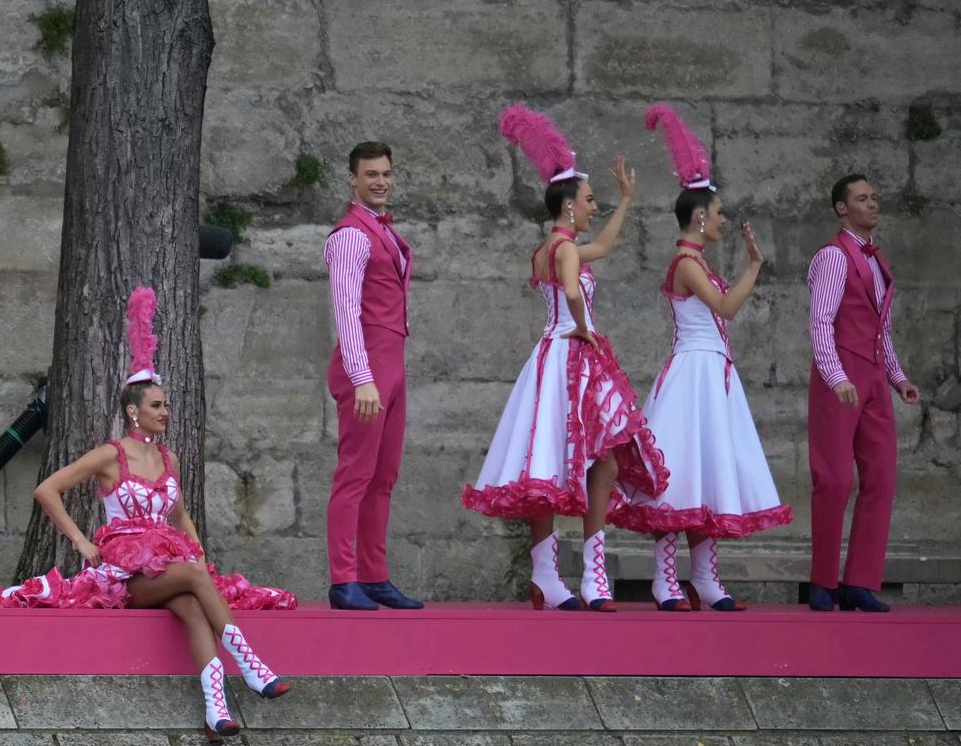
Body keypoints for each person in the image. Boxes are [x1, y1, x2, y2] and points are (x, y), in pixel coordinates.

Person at [0, 288, 293, 740]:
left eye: (166, 405)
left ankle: (216, 710)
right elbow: (47, 490)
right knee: (191, 579)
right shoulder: (110, 455)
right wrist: (81, 541)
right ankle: (251, 665)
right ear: (133, 412)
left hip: (169, 565)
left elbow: (180, 513)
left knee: (190, 604)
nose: (165, 412)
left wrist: (195, 544)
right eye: (156, 405)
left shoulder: (170, 458)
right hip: (124, 573)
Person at [463, 107, 667, 612]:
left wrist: (625, 200)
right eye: (590, 200)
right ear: (569, 205)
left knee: (552, 462)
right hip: (572, 351)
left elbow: (602, 244)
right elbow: (574, 289)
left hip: (551, 356)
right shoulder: (566, 252)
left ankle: (546, 577)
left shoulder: (549, 248)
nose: (593, 208)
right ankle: (591, 577)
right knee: (603, 459)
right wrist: (581, 324)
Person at [608, 106, 788, 610]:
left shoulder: (698, 261)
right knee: (681, 475)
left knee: (706, 472)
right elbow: (727, 308)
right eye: (720, 212)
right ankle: (667, 580)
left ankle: (705, 578)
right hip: (693, 374)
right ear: (701, 216)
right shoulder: (685, 262)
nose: (725, 219)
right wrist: (754, 266)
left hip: (712, 375)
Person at [804, 173, 920, 613]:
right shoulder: (833, 257)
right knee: (834, 478)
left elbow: (881, 329)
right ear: (841, 208)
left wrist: (897, 377)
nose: (873, 204)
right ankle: (822, 580)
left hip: (872, 377)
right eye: (862, 198)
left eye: (875, 196)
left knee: (882, 477)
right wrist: (836, 377)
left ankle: (859, 582)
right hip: (842, 374)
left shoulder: (877, 260)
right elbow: (820, 323)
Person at [322, 140, 422, 611]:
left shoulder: (381, 231)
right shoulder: (349, 235)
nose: (380, 181)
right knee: (355, 475)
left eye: (386, 173)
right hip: (367, 366)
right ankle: (344, 579)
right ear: (352, 179)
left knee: (384, 477)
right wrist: (362, 377)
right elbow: (345, 312)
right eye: (371, 175)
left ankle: (375, 575)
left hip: (392, 362)